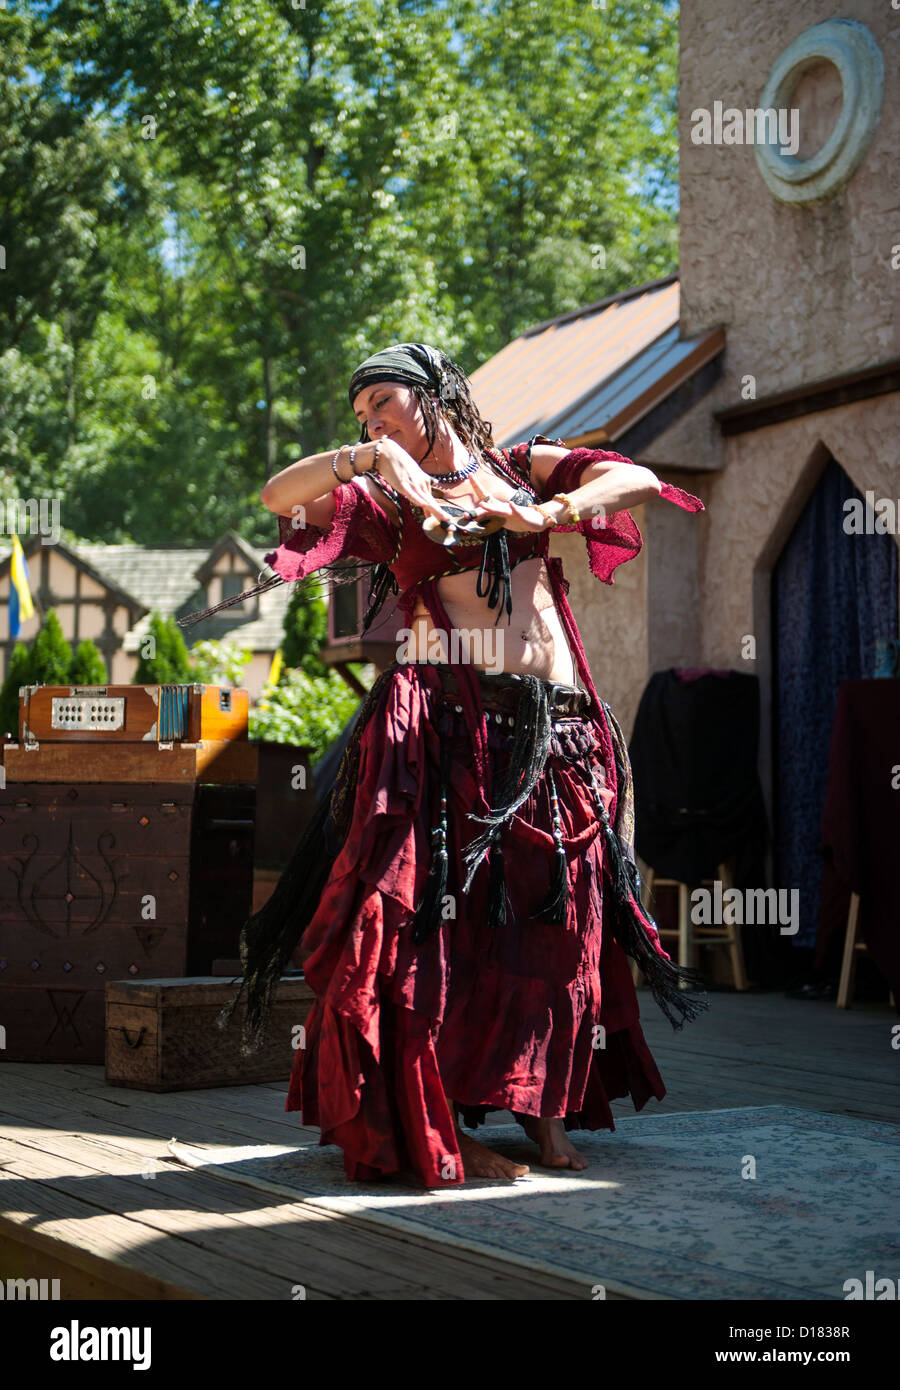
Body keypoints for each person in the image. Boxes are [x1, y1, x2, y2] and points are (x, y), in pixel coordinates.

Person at [180, 341, 708, 1186]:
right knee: (436, 933)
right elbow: (280, 495)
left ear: (437, 394)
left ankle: (546, 1119)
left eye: (383, 401)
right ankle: (439, 1126)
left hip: (562, 736)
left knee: (561, 931)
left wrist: (538, 518)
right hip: (453, 739)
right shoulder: (386, 499)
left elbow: (632, 479)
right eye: (361, 413)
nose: (374, 417)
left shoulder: (518, 467)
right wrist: (364, 454)